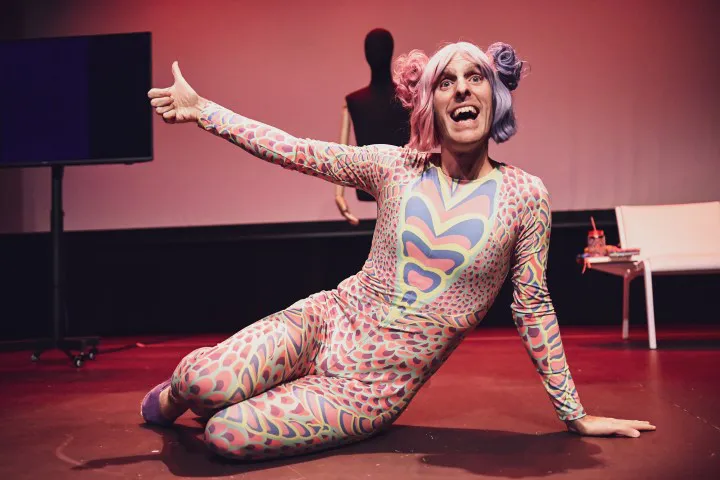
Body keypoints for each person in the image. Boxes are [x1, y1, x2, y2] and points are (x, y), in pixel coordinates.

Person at [142, 41, 655, 461]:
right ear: (430, 104)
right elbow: (296, 150)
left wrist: (574, 414)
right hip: (327, 324)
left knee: (225, 435)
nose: (461, 89)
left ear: (495, 95)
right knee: (200, 382)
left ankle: (248, 394)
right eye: (445, 82)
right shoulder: (395, 167)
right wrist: (203, 111)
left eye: (474, 77)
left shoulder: (526, 196)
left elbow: (533, 307)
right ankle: (176, 394)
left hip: (371, 389)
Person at [334, 28, 410, 225]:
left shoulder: (409, 98)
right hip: (377, 183)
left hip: (401, 185)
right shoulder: (353, 101)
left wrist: (339, 196)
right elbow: (342, 152)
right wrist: (339, 196)